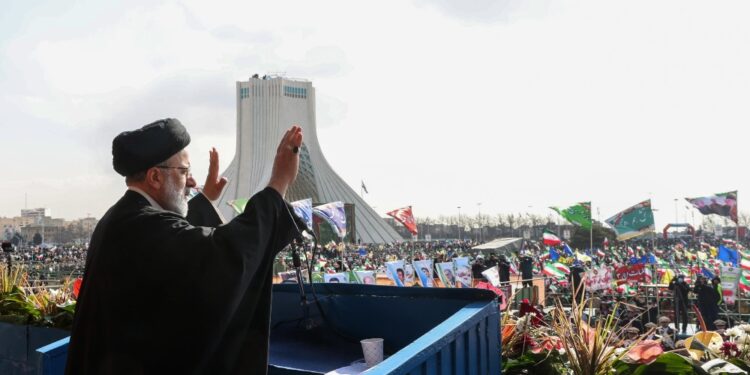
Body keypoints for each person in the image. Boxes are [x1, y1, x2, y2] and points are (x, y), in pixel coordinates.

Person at [66, 119, 304, 374]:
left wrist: (206, 200)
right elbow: (221, 257)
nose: (191, 182)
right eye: (183, 172)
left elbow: (179, 245)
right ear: (155, 177)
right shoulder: (142, 226)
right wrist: (278, 184)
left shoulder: (123, 217)